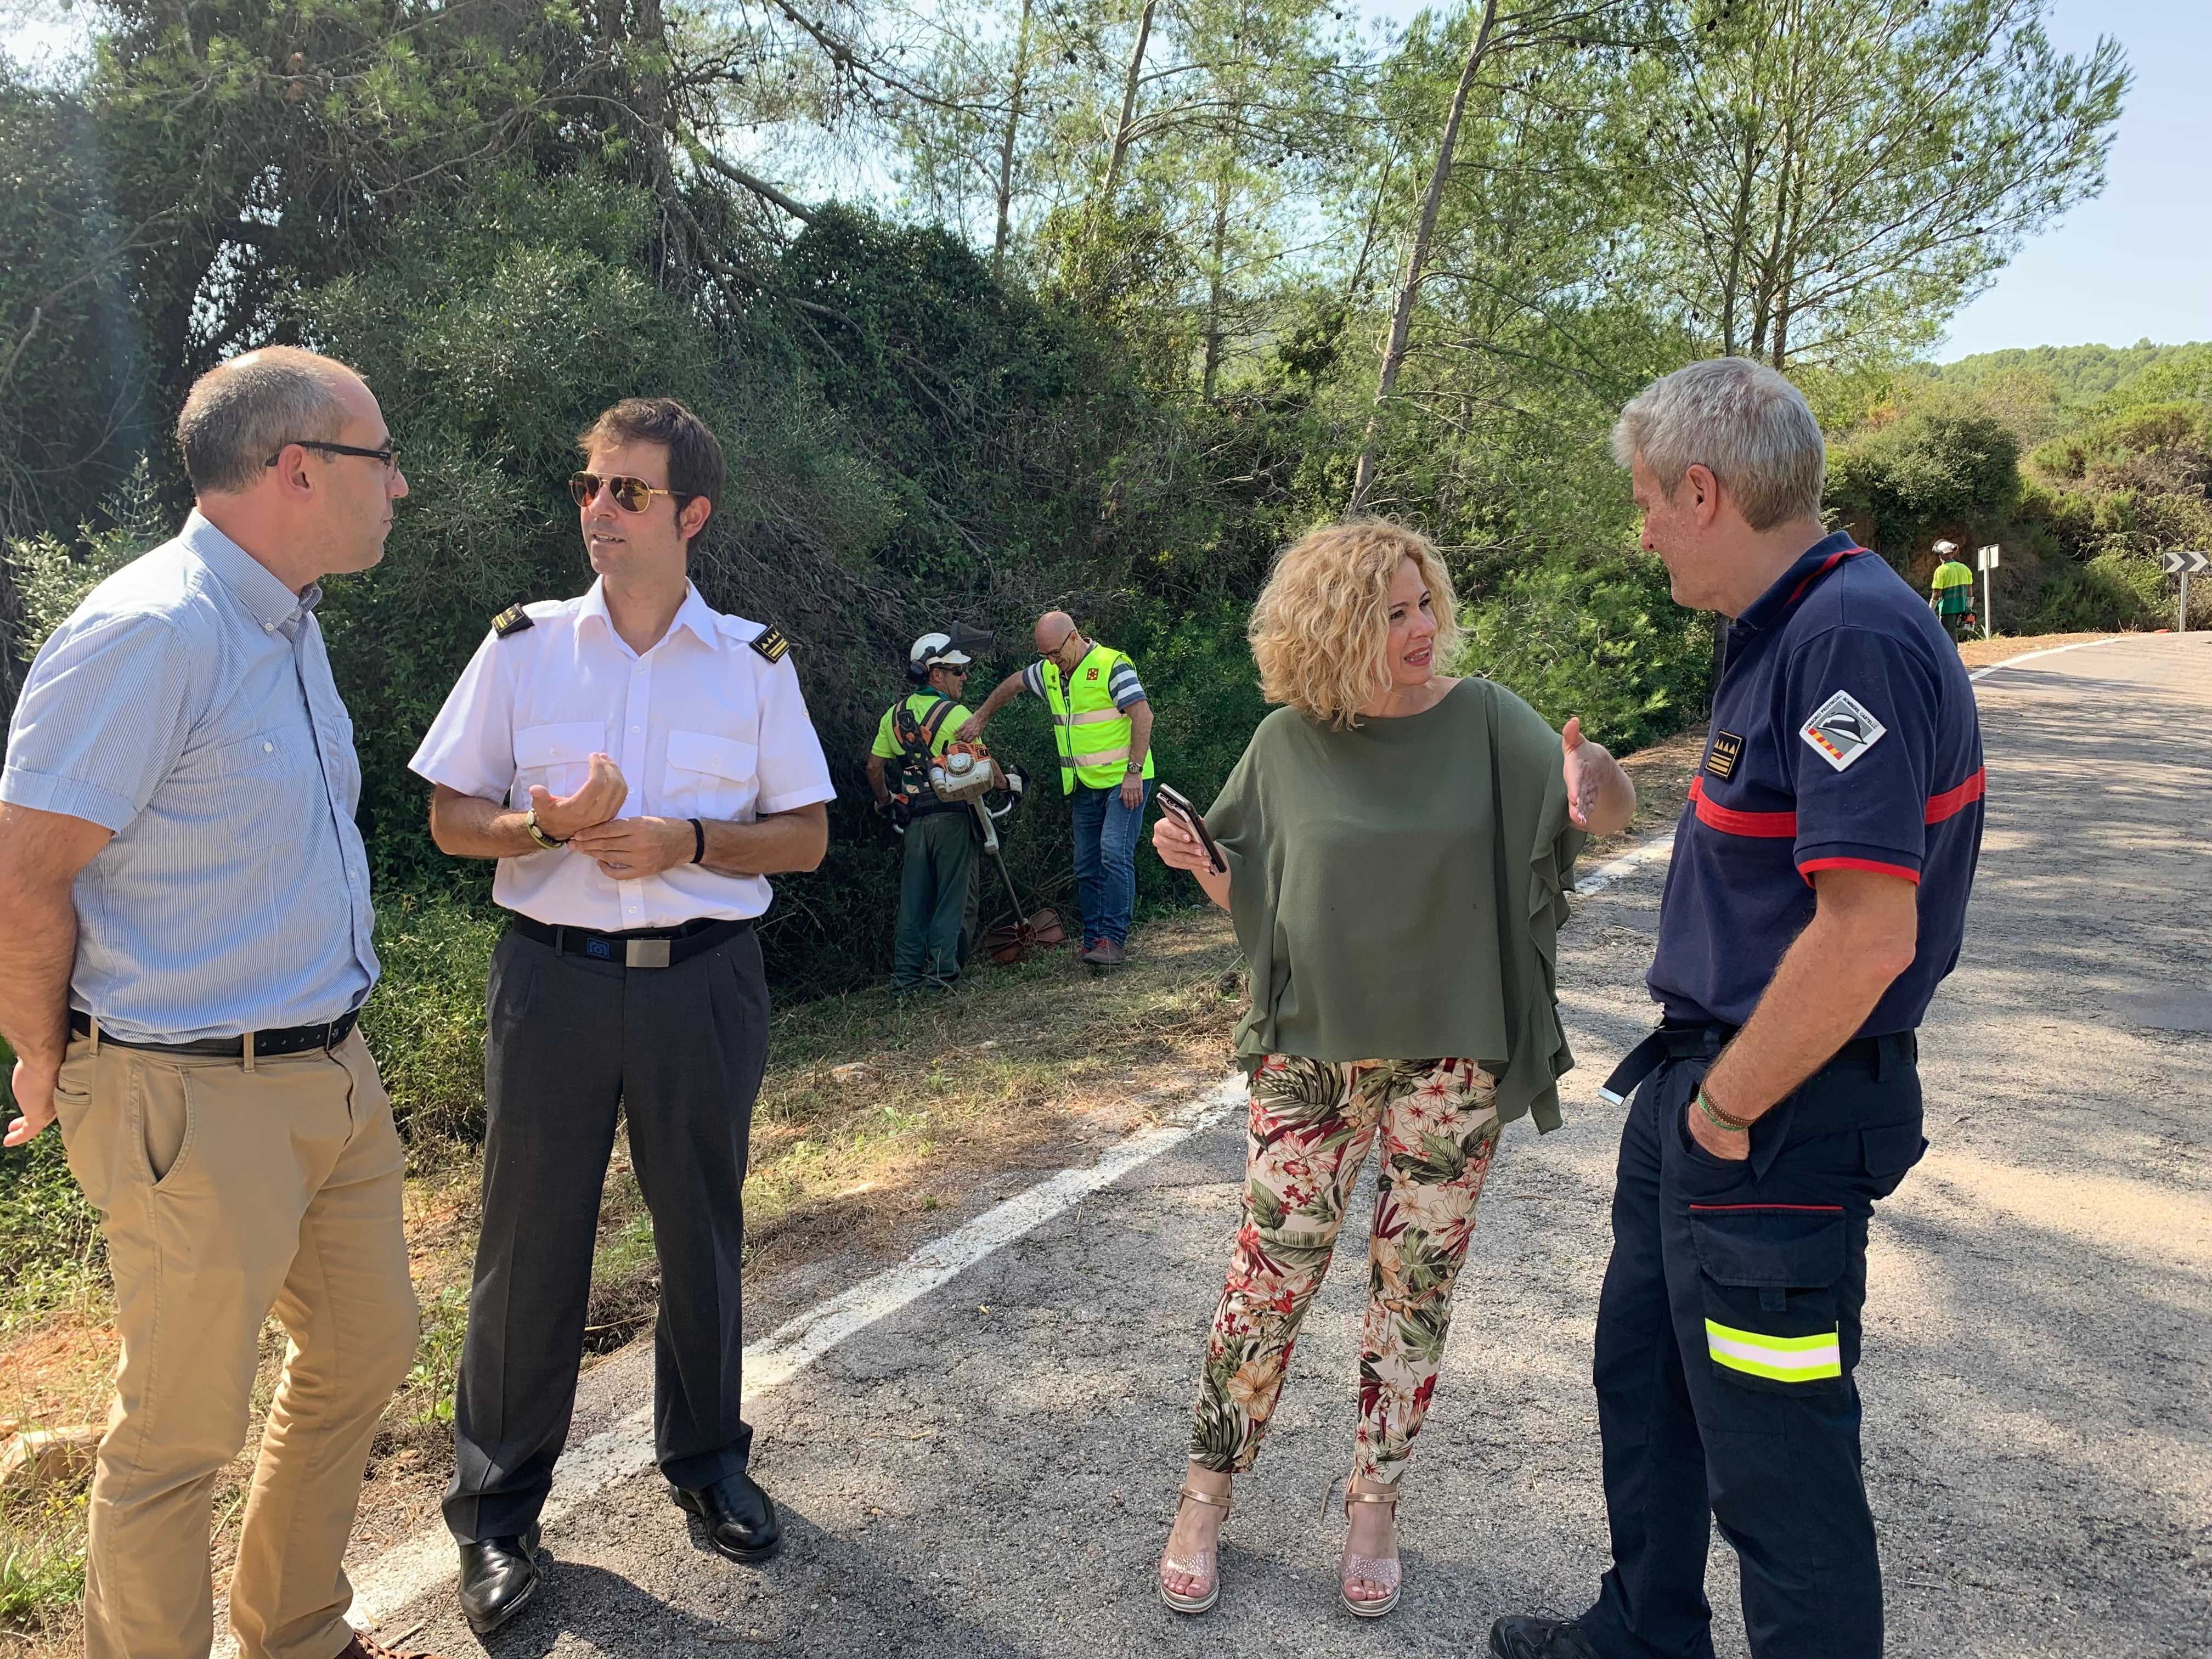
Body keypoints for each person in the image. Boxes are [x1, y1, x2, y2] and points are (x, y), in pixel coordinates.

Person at [1487, 359, 1984, 1659]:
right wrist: (1600, 785)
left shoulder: (1849, 641)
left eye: (1648, 499)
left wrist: (1722, 1108)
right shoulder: (1783, 622)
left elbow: (1868, 935)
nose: (1639, 525)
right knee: (1648, 1389)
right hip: (1705, 1088)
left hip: (1773, 1113)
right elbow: (1762, 857)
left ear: (1702, 492)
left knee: (1777, 1466)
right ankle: (1644, 1632)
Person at [0, 348, 436, 1659]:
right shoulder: (154, 628)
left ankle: (294, 1629)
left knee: (366, 1349)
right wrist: (39, 1050)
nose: (400, 486)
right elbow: (28, 869)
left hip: (330, 1073)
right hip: (187, 1088)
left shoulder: (287, 622)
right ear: (298, 468)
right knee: (183, 1429)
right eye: (380, 457)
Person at [1149, 520, 1637, 1620]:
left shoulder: (1488, 719)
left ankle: (1375, 1502)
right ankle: (1205, 1496)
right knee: (1267, 1281)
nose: (1421, 630)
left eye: (1425, 605)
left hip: (1454, 1058)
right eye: (1391, 612)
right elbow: (1260, 905)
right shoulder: (1284, 746)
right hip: (1312, 1054)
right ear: (1333, 626)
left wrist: (1594, 779)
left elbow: (1594, 820)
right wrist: (1201, 867)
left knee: (1413, 1292)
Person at [408, 397, 833, 1635]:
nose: (599, 508)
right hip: (550, 978)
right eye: (590, 486)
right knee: (526, 1245)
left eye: (627, 492)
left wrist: (687, 838)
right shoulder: (525, 648)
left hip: (703, 980)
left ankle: (706, 1464)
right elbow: (449, 818)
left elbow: (803, 836)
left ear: (690, 514)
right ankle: (496, 1517)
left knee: (699, 1228)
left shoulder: (753, 659)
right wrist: (542, 826)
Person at [957, 610, 1153, 966]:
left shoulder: (1111, 665)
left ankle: (1113, 941)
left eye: (1056, 652)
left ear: (1075, 637)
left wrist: (1134, 773)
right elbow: (1013, 683)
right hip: (1083, 785)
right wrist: (981, 717)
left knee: (1113, 853)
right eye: (1045, 655)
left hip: (1124, 782)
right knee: (1085, 866)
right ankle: (1094, 941)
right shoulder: (1049, 672)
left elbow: (1143, 716)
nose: (1052, 661)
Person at [867, 632, 996, 994]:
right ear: (936, 674)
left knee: (913, 904)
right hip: (953, 818)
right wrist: (1008, 783)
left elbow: (874, 769)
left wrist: (886, 802)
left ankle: (906, 983)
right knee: (953, 900)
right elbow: (983, 763)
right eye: (958, 671)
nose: (964, 678)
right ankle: (940, 979)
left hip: (913, 825)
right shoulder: (957, 714)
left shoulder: (893, 716)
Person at [1928, 548, 1976, 642]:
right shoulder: (1964, 568)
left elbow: (1937, 593)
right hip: (1962, 608)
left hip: (1948, 609)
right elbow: (1970, 592)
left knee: (1948, 635)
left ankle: (1951, 655)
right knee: (1954, 633)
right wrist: (1969, 608)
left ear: (1941, 556)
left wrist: (1930, 610)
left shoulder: (1941, 570)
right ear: (1952, 554)